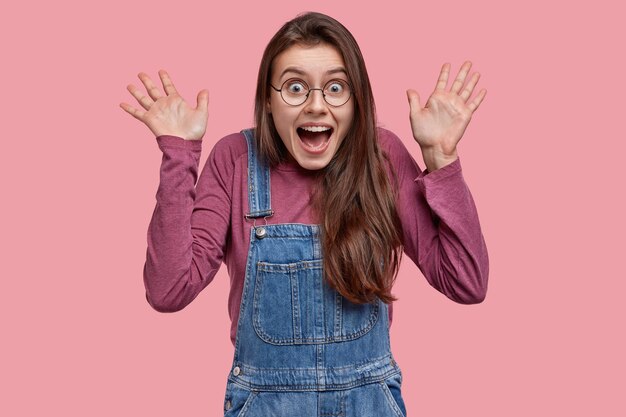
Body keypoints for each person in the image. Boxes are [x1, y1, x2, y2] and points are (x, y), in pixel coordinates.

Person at [120, 11, 488, 417]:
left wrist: (441, 159)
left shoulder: (381, 158)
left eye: (335, 87)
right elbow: (168, 291)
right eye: (295, 87)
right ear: (268, 99)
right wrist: (179, 154)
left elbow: (466, 282)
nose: (316, 105)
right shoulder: (236, 160)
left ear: (357, 99)